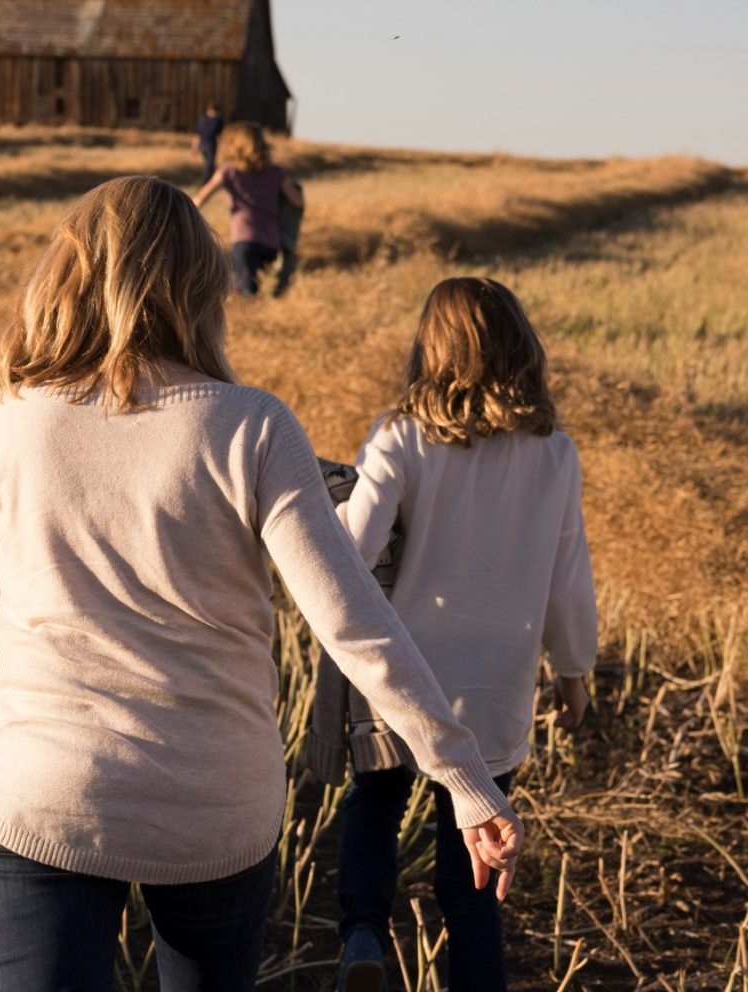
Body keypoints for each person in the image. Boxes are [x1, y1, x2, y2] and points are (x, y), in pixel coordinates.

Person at [0, 177, 522, 992]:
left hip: (46, 797)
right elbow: (351, 623)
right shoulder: (254, 426)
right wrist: (465, 782)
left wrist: (20, 612)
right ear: (202, 282)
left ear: (68, 275)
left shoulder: (6, 419)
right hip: (214, 808)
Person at [321, 277, 597, 991]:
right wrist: (573, 670)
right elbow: (569, 573)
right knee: (472, 874)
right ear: (522, 348)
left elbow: (352, 550)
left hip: (406, 671)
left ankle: (361, 936)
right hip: (498, 681)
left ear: (431, 350)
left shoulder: (401, 435)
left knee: (375, 802)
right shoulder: (554, 453)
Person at [194, 122, 303, 297]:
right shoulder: (276, 173)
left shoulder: (228, 173)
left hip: (244, 241)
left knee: (244, 296)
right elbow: (297, 202)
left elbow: (198, 200)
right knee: (265, 294)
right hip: (272, 244)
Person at [192, 103, 225, 183]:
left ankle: (210, 180)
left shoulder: (201, 120)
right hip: (211, 145)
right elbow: (219, 136)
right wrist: (222, 147)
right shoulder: (218, 120)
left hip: (202, 145)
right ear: (217, 111)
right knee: (209, 165)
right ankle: (205, 182)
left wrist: (194, 148)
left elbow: (196, 136)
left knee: (208, 164)